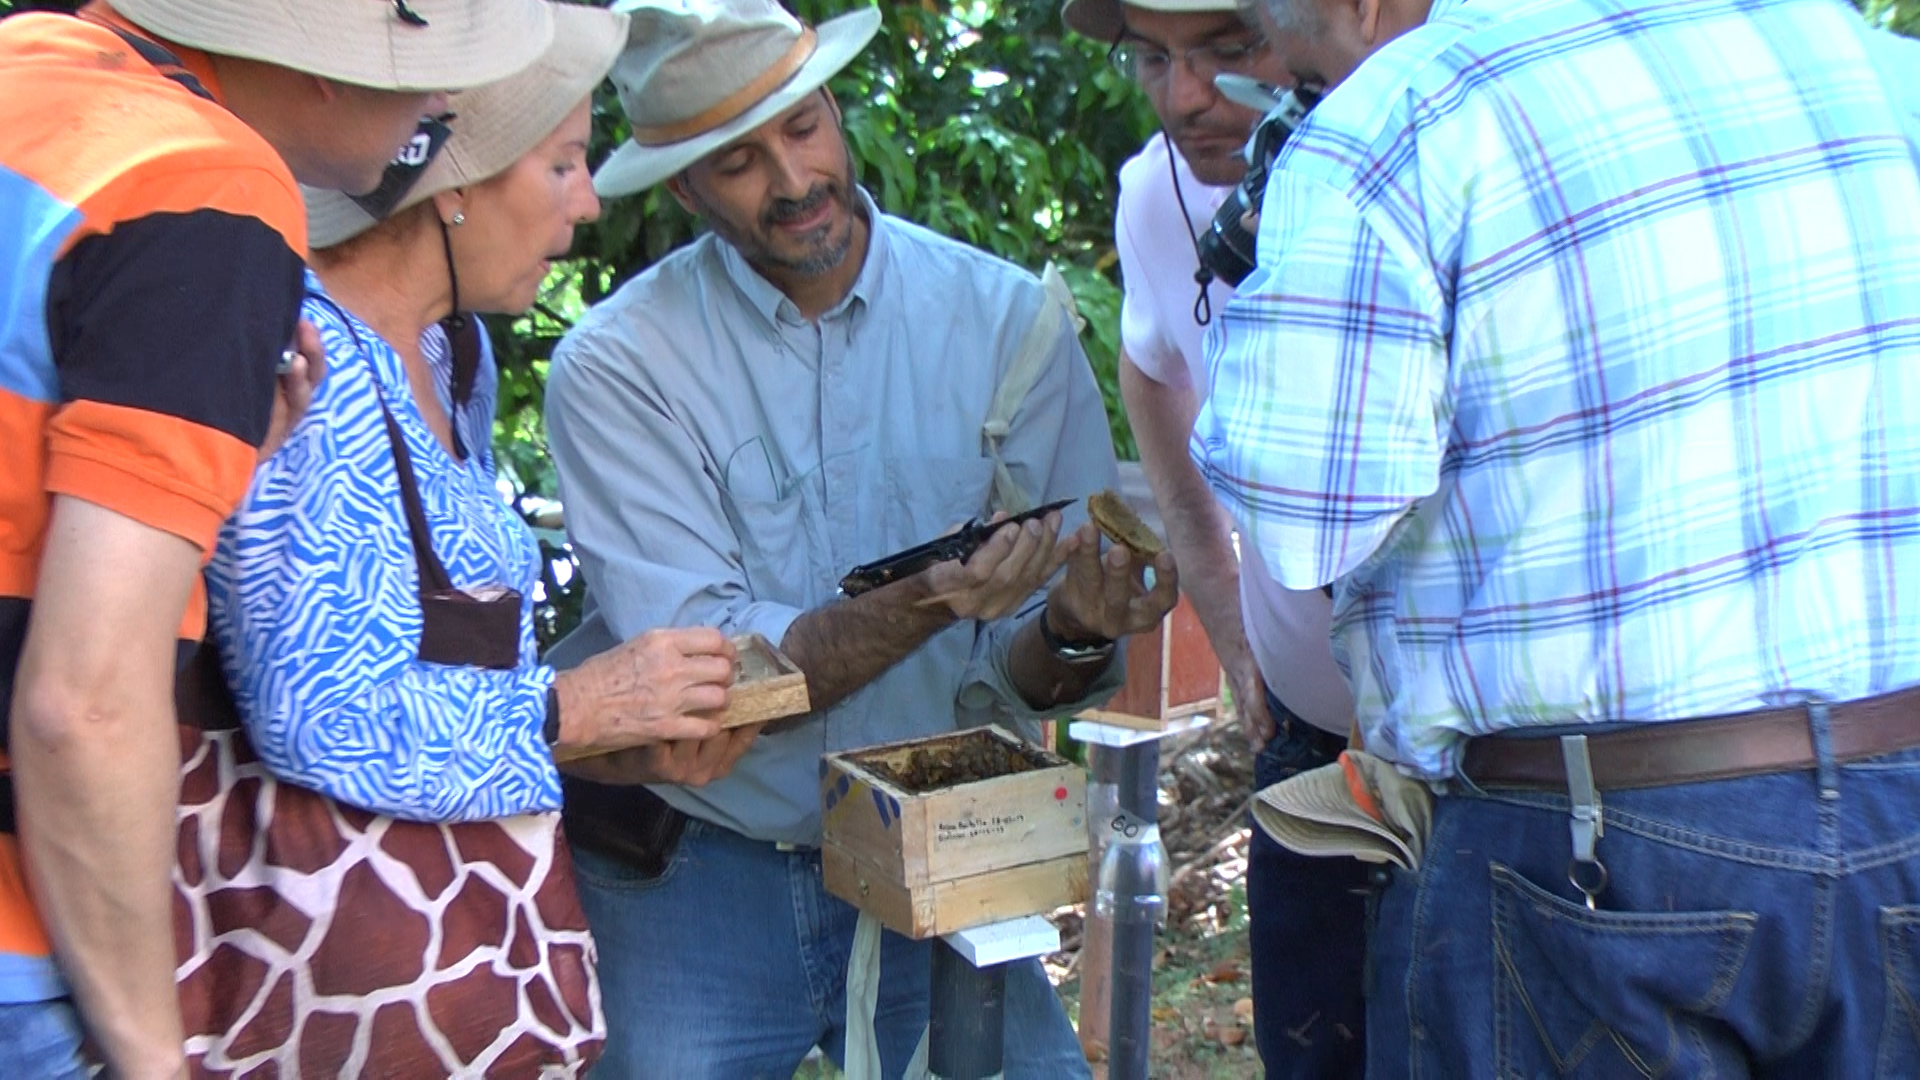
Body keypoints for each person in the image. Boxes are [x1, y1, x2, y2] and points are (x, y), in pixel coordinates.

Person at [1199, 0, 1920, 1070]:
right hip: (1895, 804)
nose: (1283, 76)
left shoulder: (1400, 119)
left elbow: (1307, 518)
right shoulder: (1869, 64)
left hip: (1590, 854)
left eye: (1282, 46)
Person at [540, 0, 1180, 1073]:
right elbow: (718, 673)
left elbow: (1027, 673)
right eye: (739, 163)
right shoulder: (620, 367)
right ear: (686, 187)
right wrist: (933, 597)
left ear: (836, 109)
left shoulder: (1006, 322)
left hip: (940, 846)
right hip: (706, 860)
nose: (792, 182)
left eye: (802, 129)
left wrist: (1072, 626)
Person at [0, 0, 553, 1074]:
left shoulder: (32, 72)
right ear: (316, 67)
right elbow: (84, 704)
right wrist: (152, 1058)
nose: (440, 103)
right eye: (425, 67)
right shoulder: (202, 184)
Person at [211, 1, 746, 841]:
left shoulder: (452, 350)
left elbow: (471, 696)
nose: (590, 205)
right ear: (456, 182)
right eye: (566, 164)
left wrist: (618, 741)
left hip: (471, 919)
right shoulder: (311, 363)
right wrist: (582, 704)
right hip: (344, 949)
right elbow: (319, 715)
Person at [1060, 0, 1365, 1070]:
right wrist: (1233, 630)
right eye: (1153, 59)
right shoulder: (1157, 196)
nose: (1186, 97)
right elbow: (1152, 367)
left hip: (1485, 757)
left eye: (1228, 51)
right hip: (1311, 737)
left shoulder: (1418, 150)